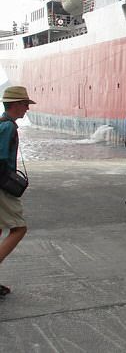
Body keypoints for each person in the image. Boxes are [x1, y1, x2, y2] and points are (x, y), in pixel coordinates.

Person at [0, 86, 35, 297]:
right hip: (2, 187)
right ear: (15, 105)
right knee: (19, 229)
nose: (27, 109)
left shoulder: (3, 124)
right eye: (25, 104)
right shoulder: (8, 128)